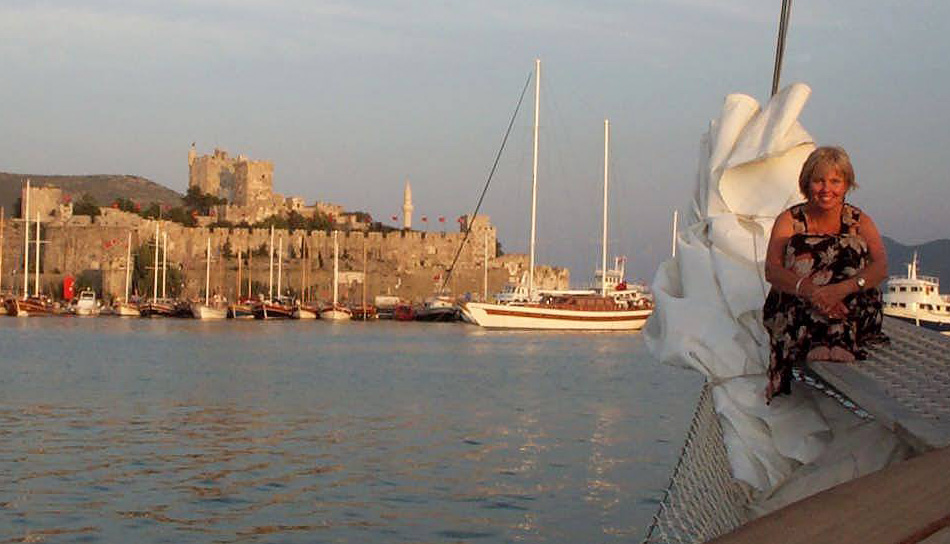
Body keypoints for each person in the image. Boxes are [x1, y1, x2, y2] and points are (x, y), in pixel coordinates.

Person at [763, 146, 889, 402]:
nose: (826, 189)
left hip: (848, 302)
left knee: (851, 249)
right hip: (802, 303)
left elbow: (880, 267)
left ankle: (837, 336)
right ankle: (826, 338)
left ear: (846, 184)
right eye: (819, 181)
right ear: (807, 183)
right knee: (801, 249)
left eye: (835, 181)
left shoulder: (858, 221)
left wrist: (841, 290)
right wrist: (813, 292)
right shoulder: (790, 220)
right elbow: (772, 270)